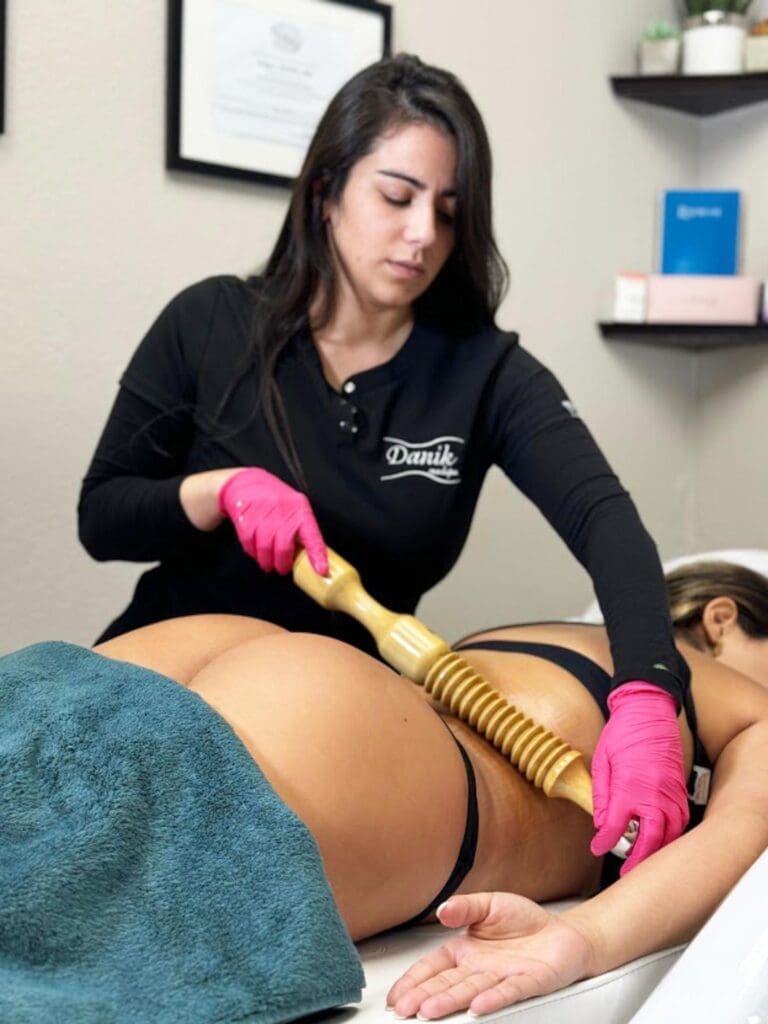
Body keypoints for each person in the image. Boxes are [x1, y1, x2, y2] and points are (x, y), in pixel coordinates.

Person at [78, 53, 689, 866]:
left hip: (328, 730)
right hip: (155, 675)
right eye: (396, 197)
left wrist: (649, 694)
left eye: (448, 209)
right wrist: (219, 491)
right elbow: (103, 516)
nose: (423, 234)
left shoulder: (486, 374)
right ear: (326, 192)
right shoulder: (209, 322)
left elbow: (607, 522)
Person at [2, 561, 767, 1019]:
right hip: (360, 747)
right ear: (724, 619)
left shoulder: (547, 636)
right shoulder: (723, 689)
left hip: (251, 661)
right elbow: (750, 826)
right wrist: (587, 936)